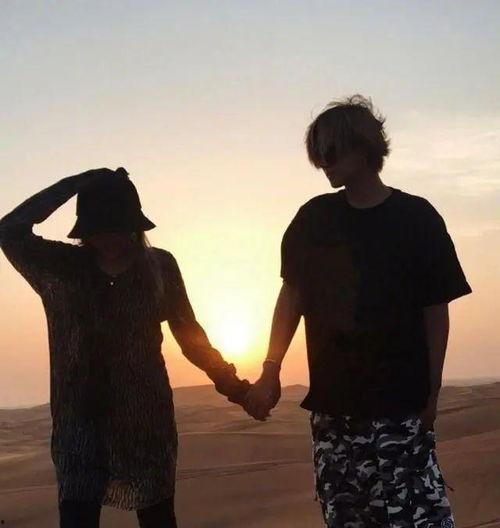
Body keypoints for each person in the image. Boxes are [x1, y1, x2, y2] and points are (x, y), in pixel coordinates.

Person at [245, 95, 472, 527]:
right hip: (335, 410)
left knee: (419, 517)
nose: (323, 163)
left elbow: (435, 309)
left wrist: (432, 392)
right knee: (348, 518)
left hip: (401, 405)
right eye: (317, 154)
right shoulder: (313, 219)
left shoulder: (417, 218)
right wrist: (271, 368)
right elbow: (292, 296)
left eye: (330, 151)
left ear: (363, 147)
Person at [0, 167, 251, 528]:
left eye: (118, 229)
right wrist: (77, 183)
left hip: (147, 426)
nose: (109, 240)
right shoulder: (62, 268)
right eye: (98, 230)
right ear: (85, 231)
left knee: (158, 519)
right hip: (79, 428)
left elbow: (191, 338)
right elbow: (9, 230)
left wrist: (235, 388)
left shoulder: (160, 267)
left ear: (135, 227)